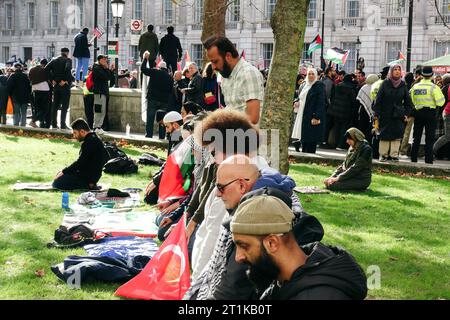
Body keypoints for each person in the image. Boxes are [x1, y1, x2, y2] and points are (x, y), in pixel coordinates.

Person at [230, 194, 368, 300]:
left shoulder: (319, 295)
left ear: (272, 243)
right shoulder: (284, 281)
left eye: (244, 246)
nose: (238, 257)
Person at [203, 36, 264, 125]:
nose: (213, 67)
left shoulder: (248, 74)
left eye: (215, 61)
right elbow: (233, 108)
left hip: (253, 135)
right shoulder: (225, 75)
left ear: (228, 56)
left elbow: (253, 118)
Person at [52, 118, 108, 190]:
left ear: (82, 131)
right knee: (60, 176)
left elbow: (80, 163)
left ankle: (88, 186)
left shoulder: (90, 142)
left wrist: (64, 171)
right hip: (88, 174)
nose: (74, 136)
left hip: (88, 178)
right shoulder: (94, 138)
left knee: (57, 183)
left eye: (75, 133)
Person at [373, 64, 413, 162]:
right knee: (384, 134)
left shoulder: (403, 85)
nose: (397, 71)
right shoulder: (385, 83)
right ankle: (383, 155)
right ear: (391, 72)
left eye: (399, 69)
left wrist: (406, 114)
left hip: (398, 115)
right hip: (385, 113)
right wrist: (377, 114)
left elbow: (408, 102)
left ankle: (394, 155)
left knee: (397, 135)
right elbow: (378, 100)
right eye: (395, 69)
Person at [410, 66, 445, 164]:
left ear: (421, 75)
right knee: (429, 138)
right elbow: (441, 102)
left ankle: (413, 159)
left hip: (418, 113)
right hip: (430, 113)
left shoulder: (415, 87)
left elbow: (410, 100)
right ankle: (428, 160)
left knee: (416, 137)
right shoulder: (434, 87)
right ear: (431, 75)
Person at [291, 68, 325, 153]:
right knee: (304, 137)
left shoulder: (319, 85)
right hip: (302, 114)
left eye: (313, 74)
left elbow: (321, 102)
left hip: (312, 115)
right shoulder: (305, 85)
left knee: (311, 138)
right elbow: (300, 97)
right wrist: (296, 102)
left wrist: (316, 116)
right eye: (309, 74)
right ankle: (304, 153)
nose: (311, 76)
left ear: (316, 75)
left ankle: (310, 156)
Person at [141, 53, 174, 138]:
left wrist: (145, 59)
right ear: (166, 68)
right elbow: (171, 91)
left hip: (152, 99)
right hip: (164, 101)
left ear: (159, 67)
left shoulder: (155, 72)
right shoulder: (170, 77)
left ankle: (149, 135)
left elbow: (143, 69)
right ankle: (162, 136)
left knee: (150, 118)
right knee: (162, 120)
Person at [45, 47, 73, 129]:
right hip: (64, 86)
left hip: (56, 85)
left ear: (61, 52)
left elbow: (46, 69)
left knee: (55, 106)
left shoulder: (54, 60)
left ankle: (54, 124)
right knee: (64, 106)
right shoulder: (68, 60)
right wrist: (65, 80)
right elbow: (68, 70)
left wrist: (51, 79)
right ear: (67, 53)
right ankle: (63, 125)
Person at [328, 74, 358, 150]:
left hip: (335, 111)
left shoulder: (337, 86)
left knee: (337, 127)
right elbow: (353, 101)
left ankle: (335, 143)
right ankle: (341, 145)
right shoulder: (351, 89)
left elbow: (332, 97)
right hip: (346, 112)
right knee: (344, 129)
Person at [91, 55, 115, 134]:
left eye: (106, 59)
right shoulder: (96, 67)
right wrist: (107, 68)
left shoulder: (102, 68)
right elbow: (105, 76)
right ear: (100, 60)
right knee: (98, 110)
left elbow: (110, 77)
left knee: (103, 111)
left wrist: (110, 69)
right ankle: (96, 127)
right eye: (104, 59)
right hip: (99, 92)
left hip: (103, 92)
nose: (105, 61)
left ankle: (99, 126)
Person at [356, 74, 379, 144]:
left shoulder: (363, 87)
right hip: (373, 112)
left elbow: (359, 99)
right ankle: (368, 143)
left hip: (362, 110)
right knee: (370, 129)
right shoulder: (376, 88)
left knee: (362, 128)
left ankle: (360, 143)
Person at [28, 59, 51, 128]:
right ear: (45, 64)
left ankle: (41, 124)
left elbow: (30, 79)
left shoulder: (32, 69)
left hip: (35, 90)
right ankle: (33, 121)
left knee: (39, 109)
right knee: (45, 109)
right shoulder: (44, 70)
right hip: (44, 90)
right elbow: (48, 79)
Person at [399, 72, 416, 158]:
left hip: (402, 112)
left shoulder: (403, 87)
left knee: (402, 132)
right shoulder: (413, 87)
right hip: (410, 113)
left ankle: (400, 149)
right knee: (407, 133)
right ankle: (403, 151)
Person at [433, 74, 450, 158]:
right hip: (446, 113)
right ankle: (432, 150)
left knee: (446, 135)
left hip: (443, 113)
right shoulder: (446, 88)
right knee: (447, 136)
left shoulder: (444, 88)